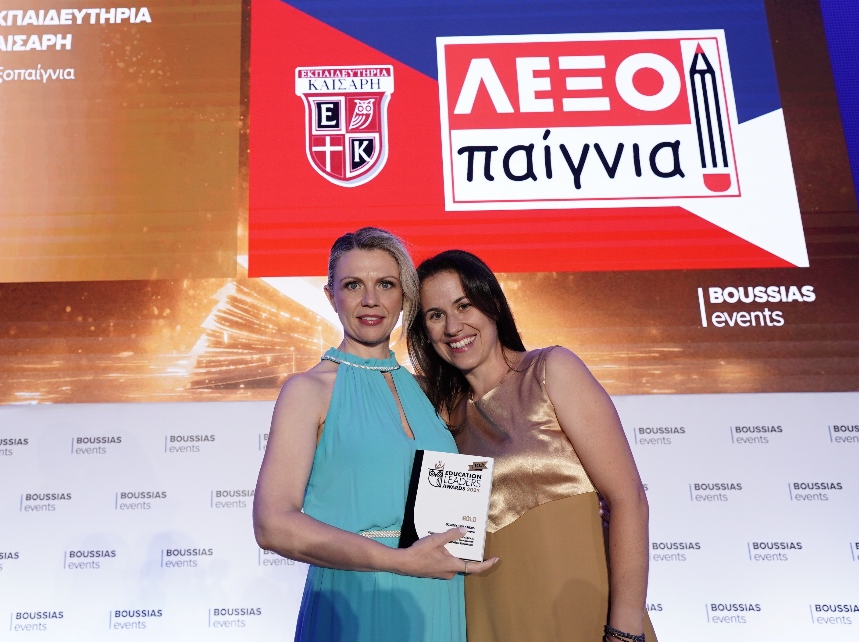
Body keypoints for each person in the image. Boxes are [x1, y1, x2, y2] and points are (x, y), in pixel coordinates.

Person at [253, 228, 495, 641]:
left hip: (438, 598)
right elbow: (272, 525)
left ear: (404, 297)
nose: (371, 300)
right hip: (356, 597)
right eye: (353, 285)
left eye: (385, 284)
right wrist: (398, 561)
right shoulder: (309, 391)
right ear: (331, 296)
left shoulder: (430, 392)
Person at [408, 250, 656, 642]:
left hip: (581, 614)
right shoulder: (440, 418)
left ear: (492, 304)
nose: (453, 326)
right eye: (435, 315)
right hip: (489, 617)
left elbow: (628, 500)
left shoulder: (550, 371)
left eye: (464, 305)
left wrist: (624, 631)